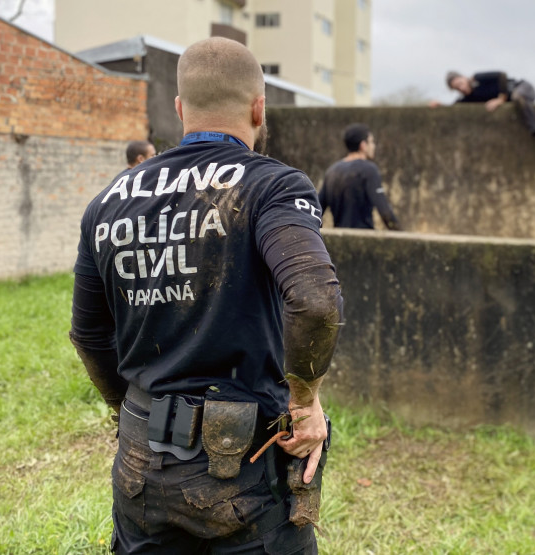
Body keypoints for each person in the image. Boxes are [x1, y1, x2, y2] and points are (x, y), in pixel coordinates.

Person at [69, 37, 342, 553]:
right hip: (247, 474)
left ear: (180, 108)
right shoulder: (273, 186)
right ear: (259, 107)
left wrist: (123, 411)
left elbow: (88, 335)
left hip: (141, 460)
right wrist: (305, 403)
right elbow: (315, 300)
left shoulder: (107, 201)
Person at [432, 70, 535, 146]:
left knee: (517, 97)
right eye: (457, 88)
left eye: (460, 83)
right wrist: (440, 106)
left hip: (522, 88)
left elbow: (502, 75)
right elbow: (455, 108)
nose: (461, 88)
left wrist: (501, 99)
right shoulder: (469, 97)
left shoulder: (477, 78)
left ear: (464, 78)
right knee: (515, 102)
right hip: (514, 102)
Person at [318, 123, 401, 230]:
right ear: (363, 145)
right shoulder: (369, 170)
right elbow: (385, 212)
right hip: (363, 239)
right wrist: (402, 235)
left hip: (338, 240)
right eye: (371, 142)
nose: (374, 146)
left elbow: (317, 210)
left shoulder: (332, 171)